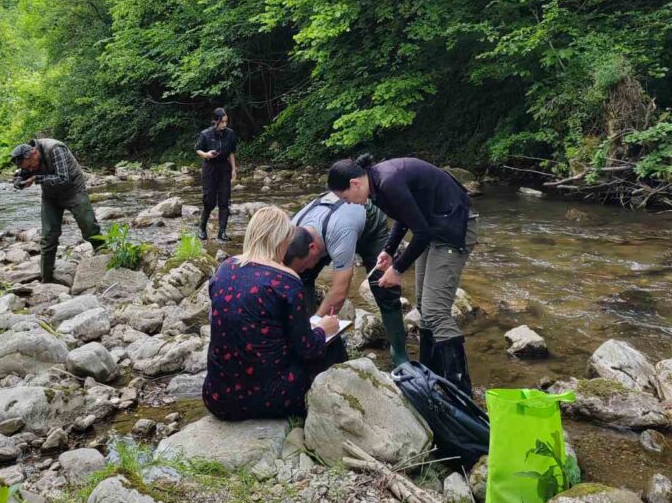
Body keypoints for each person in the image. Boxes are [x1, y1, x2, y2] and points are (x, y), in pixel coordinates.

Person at [327, 154, 477, 395]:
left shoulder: (388, 181)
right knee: (424, 307)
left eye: (345, 197)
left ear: (355, 184)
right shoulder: (376, 185)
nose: (348, 203)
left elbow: (421, 233)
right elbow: (403, 219)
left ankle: (461, 393)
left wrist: (397, 270)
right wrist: (388, 250)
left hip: (454, 228)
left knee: (436, 311)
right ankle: (432, 378)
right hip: (435, 228)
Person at [202, 206, 339, 420]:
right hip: (270, 398)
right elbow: (307, 349)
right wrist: (324, 329)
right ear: (282, 240)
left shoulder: (224, 269)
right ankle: (334, 413)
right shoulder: (287, 280)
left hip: (218, 398)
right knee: (333, 346)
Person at [285, 192, 409, 367]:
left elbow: (340, 290)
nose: (304, 267)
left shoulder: (340, 233)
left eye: (304, 263)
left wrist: (317, 326)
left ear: (313, 248)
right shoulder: (291, 229)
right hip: (331, 226)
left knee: (382, 285)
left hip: (368, 223)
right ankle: (307, 344)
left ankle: (399, 354)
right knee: (301, 278)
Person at [10, 138, 102, 284]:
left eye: (31, 165)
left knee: (89, 227)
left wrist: (36, 179)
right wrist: (19, 180)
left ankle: (106, 258)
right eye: (28, 168)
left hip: (73, 190)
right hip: (51, 195)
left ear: (33, 153)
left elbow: (63, 178)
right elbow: (24, 172)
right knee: (48, 237)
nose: (31, 169)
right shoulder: (29, 159)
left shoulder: (55, 149)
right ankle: (46, 280)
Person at [195, 107, 237, 242]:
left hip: (224, 168)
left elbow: (231, 152)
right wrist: (206, 154)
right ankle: (202, 228)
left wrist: (234, 169)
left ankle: (222, 232)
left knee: (224, 201)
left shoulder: (230, 134)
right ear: (216, 121)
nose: (225, 124)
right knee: (209, 201)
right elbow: (198, 149)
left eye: (226, 122)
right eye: (223, 122)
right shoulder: (205, 134)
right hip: (210, 168)